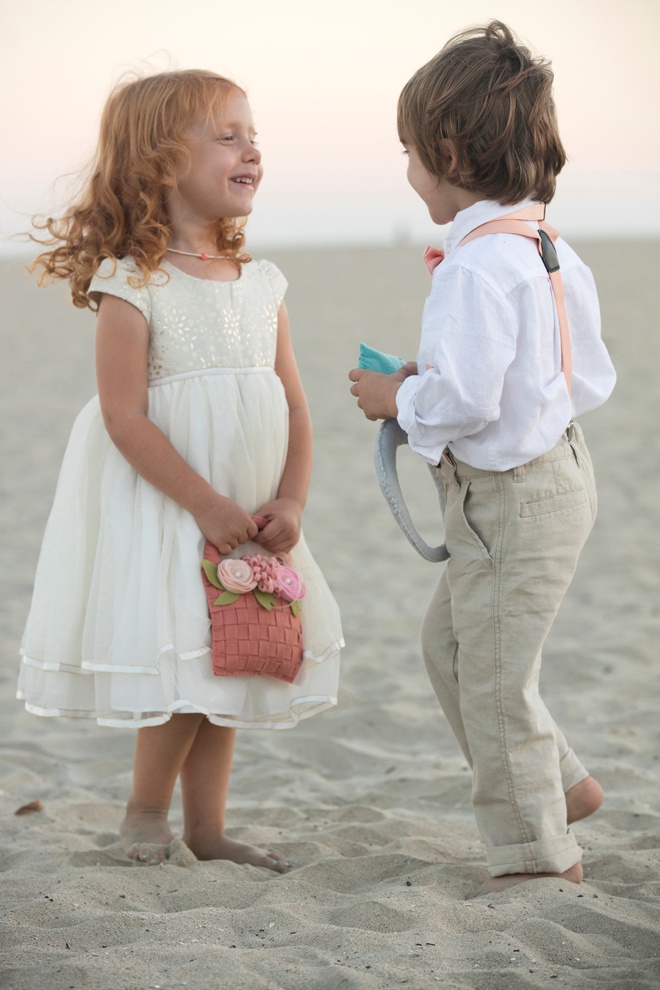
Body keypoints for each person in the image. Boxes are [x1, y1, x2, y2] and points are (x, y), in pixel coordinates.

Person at [18, 69, 343, 870]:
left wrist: (292, 500)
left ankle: (207, 828)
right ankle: (143, 815)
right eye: (227, 136)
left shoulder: (262, 283)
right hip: (175, 508)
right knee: (185, 655)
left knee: (233, 652)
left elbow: (296, 407)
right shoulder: (132, 284)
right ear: (160, 164)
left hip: (253, 508)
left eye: (252, 133)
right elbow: (123, 416)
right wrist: (202, 502)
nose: (252, 149)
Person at [349, 21, 615, 897]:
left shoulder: (471, 268)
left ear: (451, 151)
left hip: (509, 500)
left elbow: (463, 404)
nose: (409, 172)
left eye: (410, 153)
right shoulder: (544, 245)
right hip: (558, 475)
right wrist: (452, 381)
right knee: (452, 646)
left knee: (495, 679)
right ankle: (564, 784)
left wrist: (400, 398)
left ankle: (541, 858)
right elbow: (576, 372)